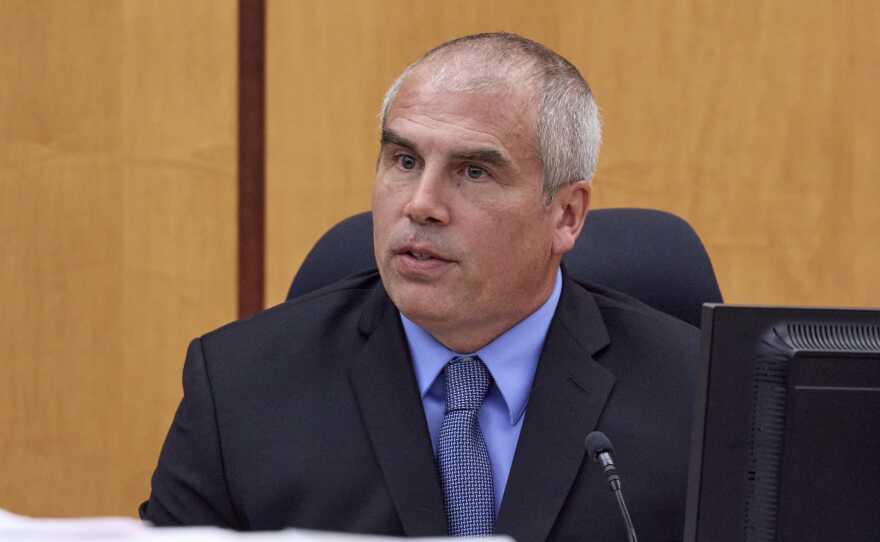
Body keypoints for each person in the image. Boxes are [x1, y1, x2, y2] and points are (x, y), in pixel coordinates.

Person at [141, 33, 699, 542]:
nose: (421, 204)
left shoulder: (699, 397)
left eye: (474, 172)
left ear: (566, 215)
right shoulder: (240, 386)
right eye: (404, 160)